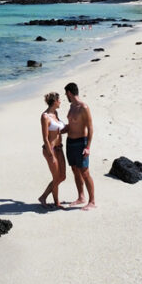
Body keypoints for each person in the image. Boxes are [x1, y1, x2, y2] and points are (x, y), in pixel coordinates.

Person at [64, 82, 96, 210]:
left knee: (85, 172)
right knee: (75, 170)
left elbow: (90, 127)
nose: (65, 96)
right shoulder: (71, 106)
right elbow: (71, 125)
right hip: (70, 143)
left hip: (80, 142)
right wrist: (59, 130)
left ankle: (92, 201)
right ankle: (81, 197)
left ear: (69, 93)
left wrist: (88, 147)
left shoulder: (84, 107)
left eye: (66, 93)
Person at [38, 92, 67, 209]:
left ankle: (51, 200)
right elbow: (45, 137)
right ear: (55, 101)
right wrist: (51, 155)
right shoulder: (45, 116)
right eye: (59, 100)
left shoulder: (55, 113)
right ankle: (48, 199)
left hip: (59, 148)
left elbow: (60, 130)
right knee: (57, 177)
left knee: (62, 176)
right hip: (51, 150)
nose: (60, 102)